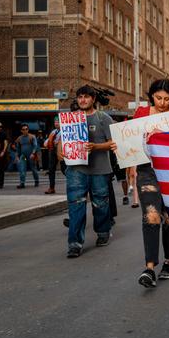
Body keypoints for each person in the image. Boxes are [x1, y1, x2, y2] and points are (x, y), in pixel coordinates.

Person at [132, 79, 169, 289]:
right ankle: (149, 268)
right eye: (158, 98)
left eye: (167, 99)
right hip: (146, 170)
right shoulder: (141, 113)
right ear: (151, 96)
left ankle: (168, 261)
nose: (162, 103)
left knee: (168, 218)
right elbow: (131, 141)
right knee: (151, 215)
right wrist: (120, 148)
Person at [59, 85, 115, 258]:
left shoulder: (103, 118)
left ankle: (103, 232)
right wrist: (61, 152)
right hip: (76, 169)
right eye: (80, 97)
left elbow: (113, 143)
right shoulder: (71, 119)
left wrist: (96, 146)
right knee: (76, 205)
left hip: (100, 169)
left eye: (86, 97)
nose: (82, 100)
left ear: (93, 99)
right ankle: (74, 244)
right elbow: (62, 141)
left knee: (101, 203)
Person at [14, 123, 39, 188]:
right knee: (22, 169)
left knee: (33, 169)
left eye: (26, 129)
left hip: (31, 155)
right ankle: (22, 183)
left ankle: (36, 181)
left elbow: (35, 146)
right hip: (23, 156)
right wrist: (17, 156)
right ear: (21, 130)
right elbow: (18, 148)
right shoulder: (19, 138)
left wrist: (33, 153)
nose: (25, 130)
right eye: (23, 129)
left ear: (28, 129)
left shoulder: (32, 137)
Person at [44, 117, 60, 194]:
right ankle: (51, 187)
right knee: (51, 169)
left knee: (65, 169)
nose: (56, 123)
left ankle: (74, 186)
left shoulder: (65, 131)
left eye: (58, 122)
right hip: (52, 150)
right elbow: (48, 140)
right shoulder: (53, 131)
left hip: (61, 150)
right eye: (55, 122)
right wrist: (46, 142)